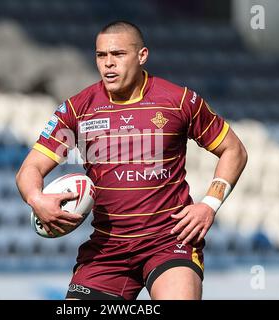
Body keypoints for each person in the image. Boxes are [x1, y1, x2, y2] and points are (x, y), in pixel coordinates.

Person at [16, 21, 248, 300]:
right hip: (107, 249)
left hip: (169, 240)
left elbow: (234, 150)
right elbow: (30, 168)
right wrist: (35, 197)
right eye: (101, 56)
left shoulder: (178, 100)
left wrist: (209, 204)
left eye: (118, 54)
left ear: (142, 55)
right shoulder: (78, 108)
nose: (108, 64)